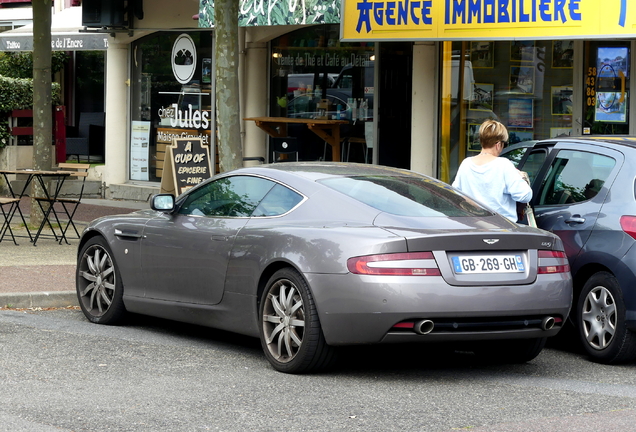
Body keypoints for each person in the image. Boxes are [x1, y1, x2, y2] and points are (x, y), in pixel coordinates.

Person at [452, 120, 532, 223]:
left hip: (473, 226)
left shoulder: (466, 164)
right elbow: (525, 196)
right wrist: (521, 178)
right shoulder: (503, 165)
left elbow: (455, 193)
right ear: (498, 144)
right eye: (505, 144)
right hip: (501, 228)